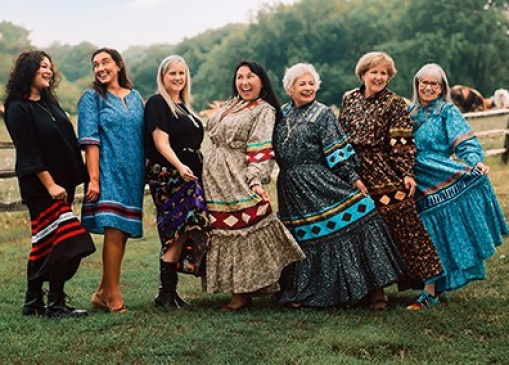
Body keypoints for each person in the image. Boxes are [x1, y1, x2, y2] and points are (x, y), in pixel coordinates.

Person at [273, 63, 407, 308]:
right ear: (289, 88)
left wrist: (353, 178)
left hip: (319, 181)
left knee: (361, 218)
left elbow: (337, 150)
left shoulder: (323, 114)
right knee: (305, 239)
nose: (308, 88)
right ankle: (305, 290)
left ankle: (376, 291)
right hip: (291, 188)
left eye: (311, 83)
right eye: (302, 84)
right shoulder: (281, 114)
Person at [338, 51, 443, 308]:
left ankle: (429, 286)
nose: (379, 77)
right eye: (374, 72)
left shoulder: (395, 103)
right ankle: (367, 287)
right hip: (352, 172)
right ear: (363, 74)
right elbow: (340, 136)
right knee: (358, 230)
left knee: (401, 224)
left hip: (383, 169)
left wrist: (406, 172)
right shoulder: (349, 99)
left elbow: (401, 141)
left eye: (384, 73)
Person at [201, 59, 305, 312]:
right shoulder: (232, 104)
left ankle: (243, 295)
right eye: (240, 77)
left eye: (250, 77)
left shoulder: (263, 110)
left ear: (261, 81)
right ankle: (238, 290)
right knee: (223, 232)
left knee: (244, 230)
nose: (244, 82)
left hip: (237, 175)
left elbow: (261, 148)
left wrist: (256, 180)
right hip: (214, 178)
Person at [407, 63, 508, 308]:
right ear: (417, 84)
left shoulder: (447, 112)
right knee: (427, 235)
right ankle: (434, 287)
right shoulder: (407, 112)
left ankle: (430, 292)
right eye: (424, 82)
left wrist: (476, 161)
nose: (428, 87)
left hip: (439, 176)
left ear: (442, 88)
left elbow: (464, 140)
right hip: (414, 181)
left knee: (436, 234)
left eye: (434, 84)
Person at [4, 50, 96, 317]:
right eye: (42, 66)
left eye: (49, 67)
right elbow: (29, 151)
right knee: (70, 242)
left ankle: (34, 302)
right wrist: (51, 185)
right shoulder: (17, 108)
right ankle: (53, 302)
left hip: (63, 185)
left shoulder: (49, 103)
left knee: (47, 243)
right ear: (28, 70)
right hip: (43, 188)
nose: (48, 71)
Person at [78, 48, 145, 313]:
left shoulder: (137, 97)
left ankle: (102, 292)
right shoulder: (91, 97)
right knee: (113, 231)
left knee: (123, 232)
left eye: (105, 62)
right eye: (95, 64)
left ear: (118, 65)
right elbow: (90, 139)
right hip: (107, 172)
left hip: (133, 174)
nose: (100, 68)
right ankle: (114, 297)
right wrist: (94, 179)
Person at [144, 55, 210, 309]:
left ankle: (169, 292)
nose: (178, 78)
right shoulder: (158, 104)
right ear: (162, 76)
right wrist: (179, 165)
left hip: (189, 174)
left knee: (185, 229)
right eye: (172, 73)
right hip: (169, 176)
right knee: (179, 229)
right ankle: (165, 292)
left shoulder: (183, 106)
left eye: (182, 73)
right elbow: (161, 142)